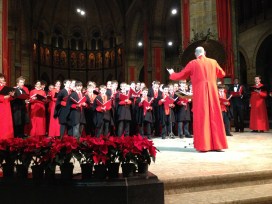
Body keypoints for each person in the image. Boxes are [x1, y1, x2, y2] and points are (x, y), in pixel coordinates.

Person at [167, 46, 228, 152]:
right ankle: (218, 145)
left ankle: (204, 145)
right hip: (212, 93)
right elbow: (222, 74)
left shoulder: (193, 63)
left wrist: (172, 74)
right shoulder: (213, 62)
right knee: (215, 116)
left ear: (196, 54)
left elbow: (181, 75)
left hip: (201, 94)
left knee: (202, 117)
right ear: (205, 52)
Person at [0, 74, 14, 139]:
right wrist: (3, 97)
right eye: (1, 78)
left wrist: (11, 95)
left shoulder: (6, 87)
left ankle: (8, 138)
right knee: (2, 122)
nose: (2, 79)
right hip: (1, 106)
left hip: (7, 106)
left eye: (3, 78)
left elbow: (10, 98)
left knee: (7, 122)